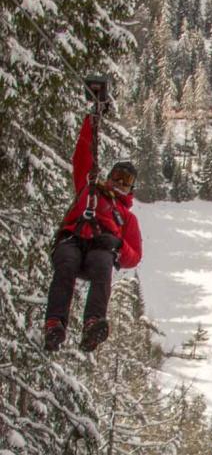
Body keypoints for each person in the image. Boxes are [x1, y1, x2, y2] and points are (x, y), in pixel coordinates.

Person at [44, 114, 142, 352]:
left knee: (102, 264)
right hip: (72, 240)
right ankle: (54, 324)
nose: (119, 183)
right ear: (108, 177)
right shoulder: (89, 190)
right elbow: (82, 156)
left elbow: (135, 256)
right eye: (116, 176)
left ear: (131, 188)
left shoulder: (127, 217)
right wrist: (92, 120)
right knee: (66, 264)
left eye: (125, 181)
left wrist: (117, 245)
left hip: (99, 250)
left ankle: (93, 323)